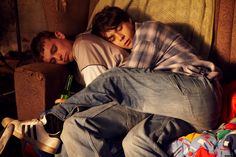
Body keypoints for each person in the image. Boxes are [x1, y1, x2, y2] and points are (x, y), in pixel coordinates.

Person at [1, 6, 222, 157]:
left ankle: (48, 121)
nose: (120, 38)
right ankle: (52, 135)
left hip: (199, 92)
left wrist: (69, 107)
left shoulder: (149, 30)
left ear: (129, 20)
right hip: (181, 116)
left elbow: (125, 76)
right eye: (112, 39)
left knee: (115, 77)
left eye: (119, 29)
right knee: (135, 143)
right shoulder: (78, 70)